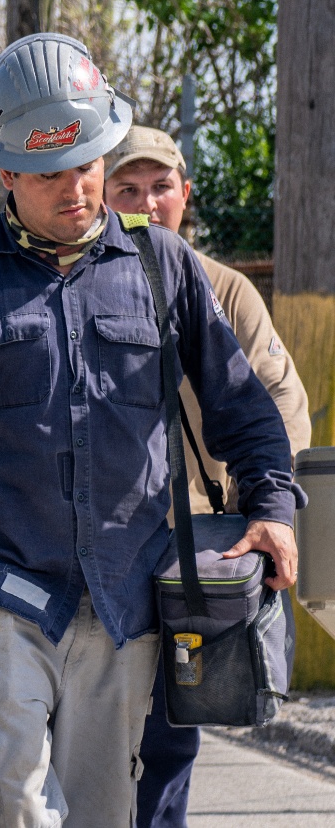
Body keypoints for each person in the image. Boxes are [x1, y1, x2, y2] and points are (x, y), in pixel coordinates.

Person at [0, 34, 303, 828]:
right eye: (51, 173)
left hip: (126, 593)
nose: (79, 189)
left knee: (103, 810)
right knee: (9, 790)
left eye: (88, 164)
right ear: (5, 174)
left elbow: (242, 404)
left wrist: (272, 505)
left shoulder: (165, 269)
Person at [102, 126, 312, 828]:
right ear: (98, 196)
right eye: (126, 189)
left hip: (193, 548)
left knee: (167, 731)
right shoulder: (72, 286)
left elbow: (283, 409)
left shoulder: (226, 290)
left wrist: (264, 507)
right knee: (84, 732)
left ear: (185, 196)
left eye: (160, 188)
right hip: (95, 544)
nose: (145, 204)